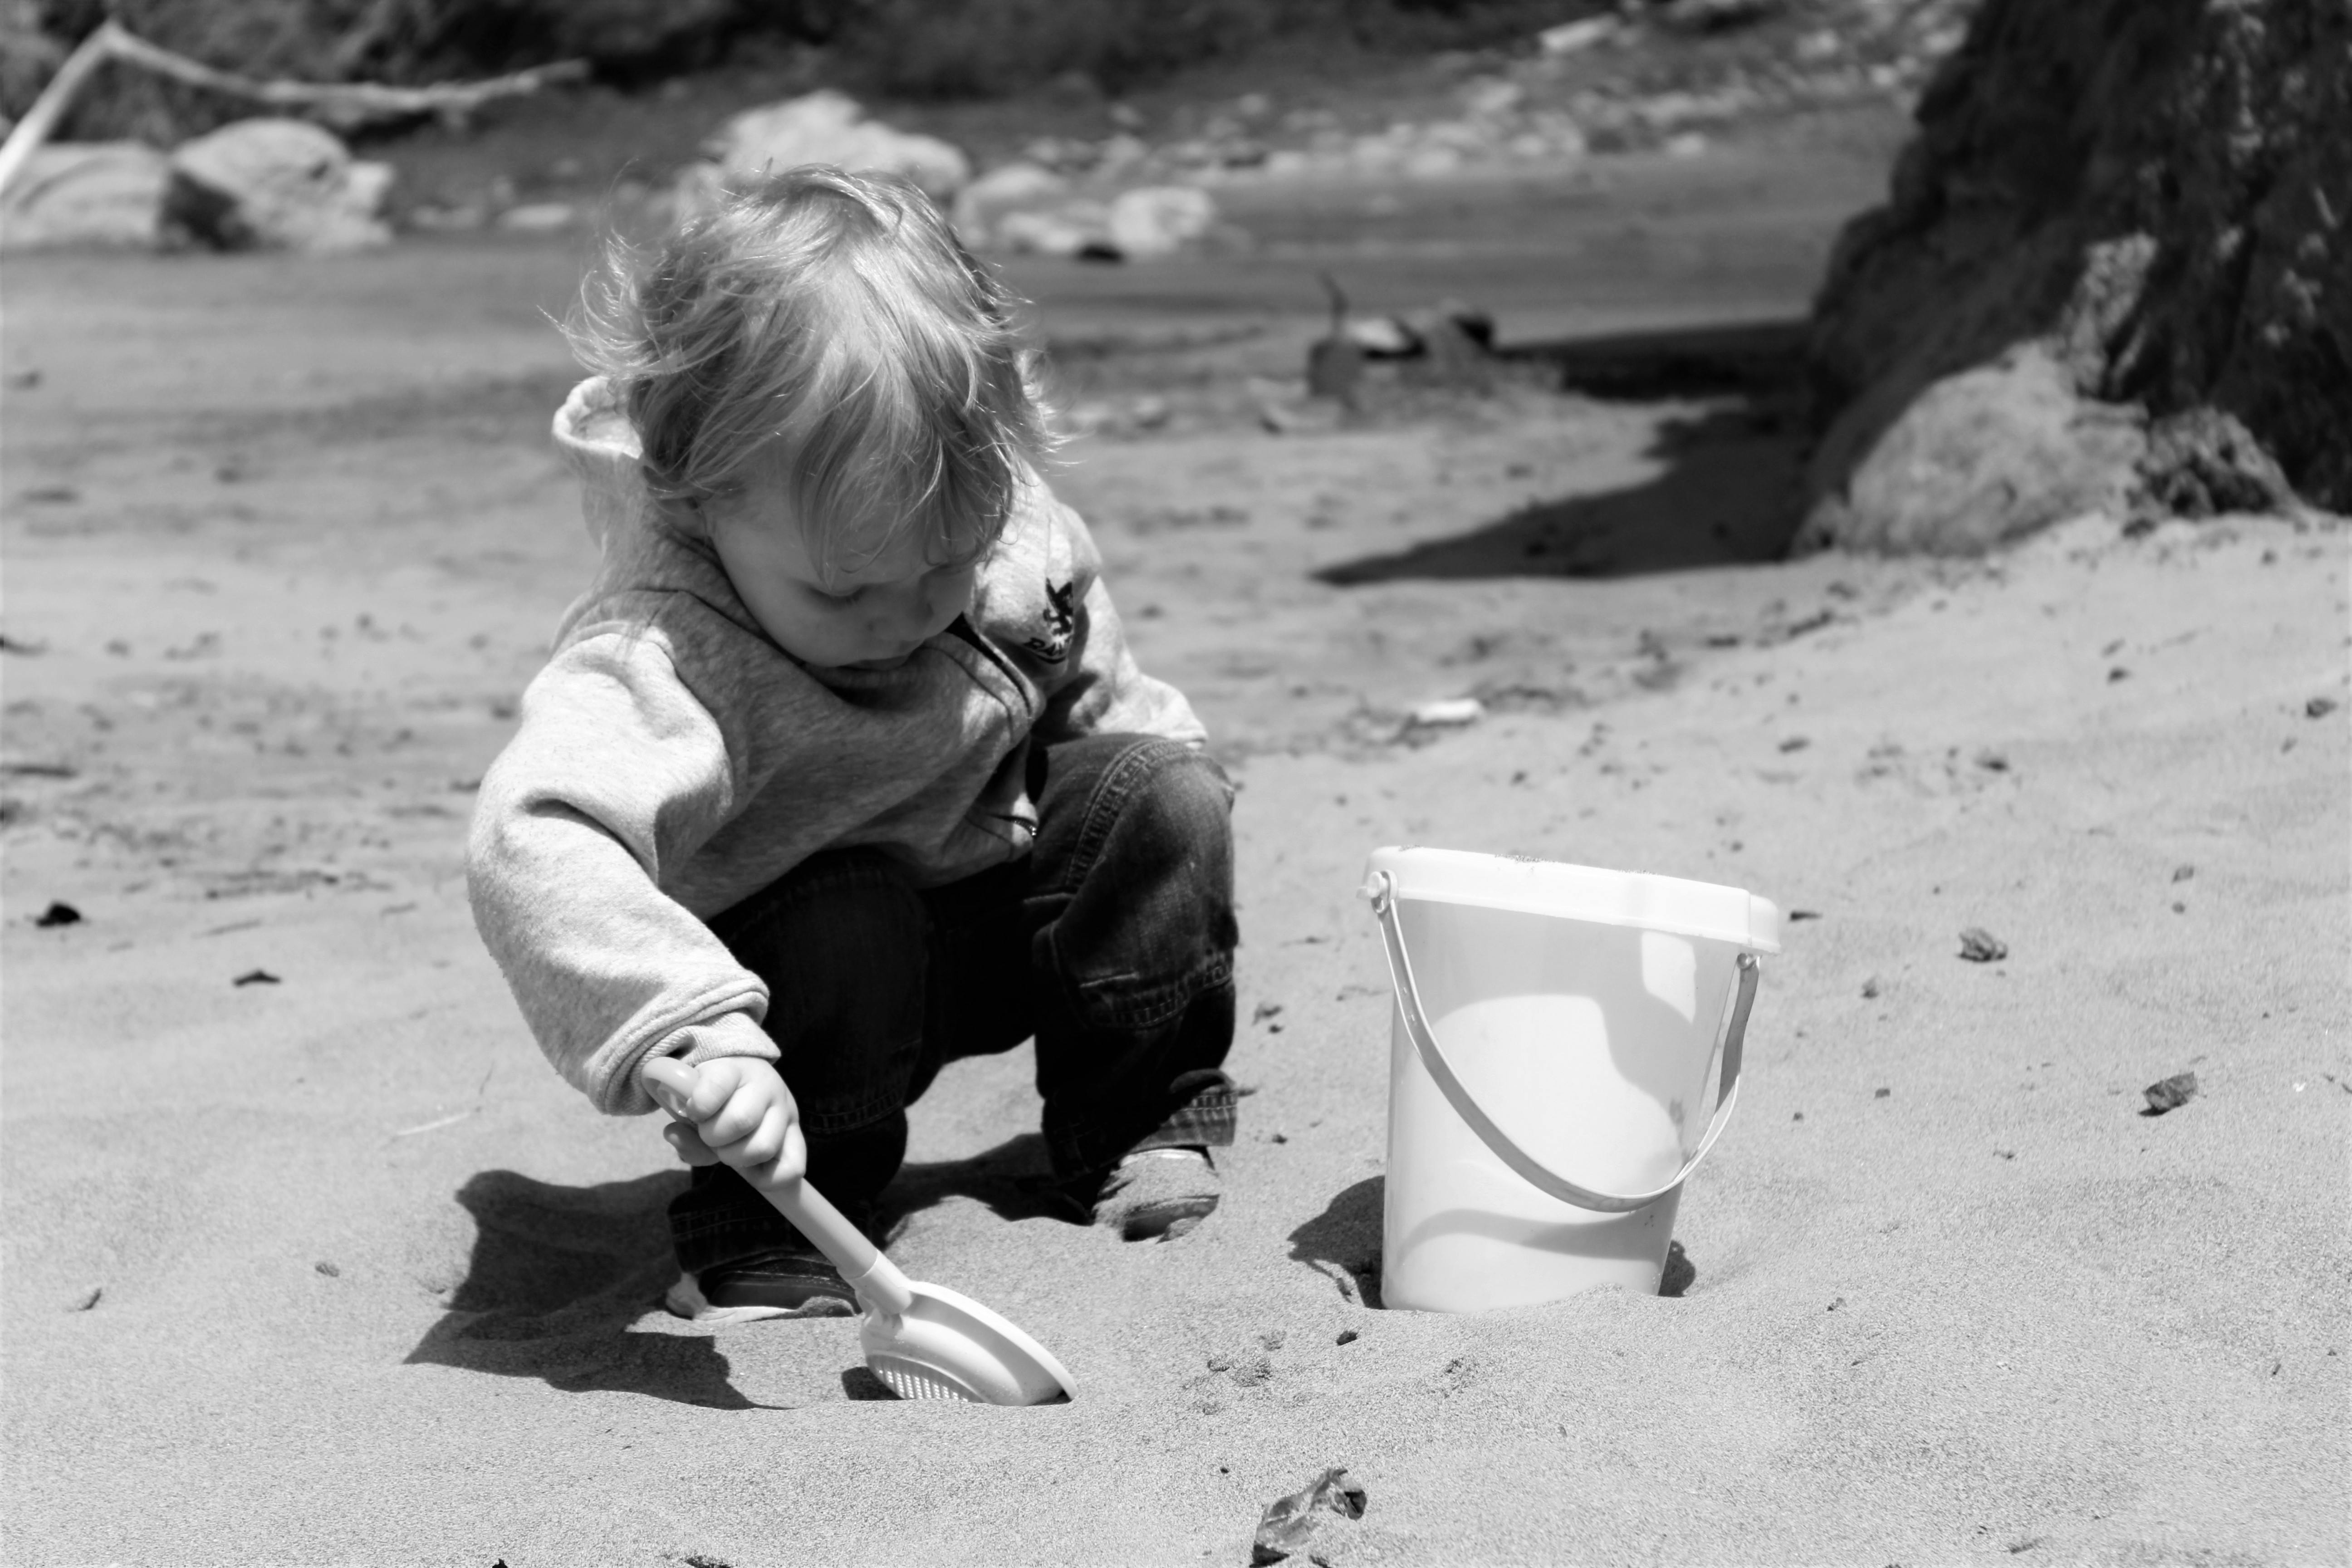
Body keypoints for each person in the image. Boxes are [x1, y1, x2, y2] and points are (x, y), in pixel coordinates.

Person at [466, 166, 1239, 1319]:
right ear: (699, 494)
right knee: (847, 914)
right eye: (845, 591)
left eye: (945, 562)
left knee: (1163, 794)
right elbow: (536, 838)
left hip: (1000, 910)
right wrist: (695, 1031)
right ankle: (780, 1216)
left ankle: (1134, 1121)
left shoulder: (995, 519)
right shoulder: (662, 648)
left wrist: (1167, 802)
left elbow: (1084, 681)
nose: (908, 614)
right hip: (801, 994)